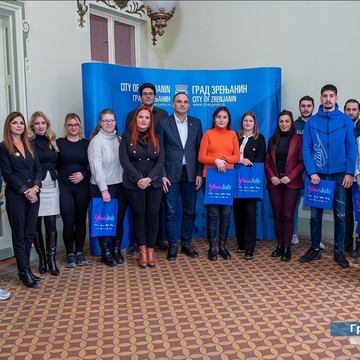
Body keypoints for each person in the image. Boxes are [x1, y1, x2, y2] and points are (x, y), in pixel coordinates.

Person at [300, 84, 357, 268]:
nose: (328, 99)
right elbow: (306, 149)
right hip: (317, 177)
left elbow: (351, 148)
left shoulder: (345, 121)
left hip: (340, 175)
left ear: (336, 98)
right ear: (321, 98)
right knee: (315, 216)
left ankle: (339, 251)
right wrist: (312, 172)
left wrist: (349, 173)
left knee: (340, 216)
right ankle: (315, 249)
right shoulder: (312, 122)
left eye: (331, 96)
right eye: (325, 95)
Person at [157, 92, 203, 261]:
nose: (182, 104)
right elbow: (159, 150)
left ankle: (186, 243)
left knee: (190, 212)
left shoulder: (196, 123)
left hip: (191, 174)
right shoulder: (163, 123)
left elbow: (199, 150)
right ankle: (173, 246)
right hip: (170, 174)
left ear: (189, 105)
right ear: (173, 104)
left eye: (185, 102)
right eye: (179, 102)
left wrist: (199, 173)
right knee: (170, 212)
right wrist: (161, 175)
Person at [0, 112, 42, 288]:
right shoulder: (3, 147)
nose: (19, 125)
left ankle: (27, 269)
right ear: (8, 126)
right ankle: (23, 272)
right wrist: (26, 191)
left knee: (29, 234)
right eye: (15, 123)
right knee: (19, 236)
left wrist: (36, 187)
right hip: (17, 196)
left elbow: (38, 168)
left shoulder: (30, 144)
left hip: (34, 195)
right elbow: (8, 174)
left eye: (21, 123)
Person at [126, 82, 169, 252]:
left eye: (151, 93)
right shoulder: (131, 115)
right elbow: (130, 145)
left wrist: (158, 174)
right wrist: (139, 177)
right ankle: (140, 243)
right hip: (137, 173)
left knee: (156, 210)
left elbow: (164, 144)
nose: (148, 96)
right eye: (145, 93)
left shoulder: (163, 114)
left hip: (157, 169)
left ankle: (156, 240)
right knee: (139, 212)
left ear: (155, 96)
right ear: (140, 96)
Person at [120, 106, 164, 267]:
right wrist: (139, 179)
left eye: (147, 118)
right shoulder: (126, 137)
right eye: (141, 117)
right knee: (139, 217)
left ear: (151, 121)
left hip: (154, 183)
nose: (144, 120)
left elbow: (160, 161)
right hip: (134, 183)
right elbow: (124, 161)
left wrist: (149, 179)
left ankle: (151, 251)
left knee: (153, 216)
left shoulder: (157, 137)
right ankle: (142, 251)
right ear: (135, 119)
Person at [199, 106, 240, 261]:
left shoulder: (232, 135)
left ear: (228, 119)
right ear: (214, 119)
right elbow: (201, 157)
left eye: (224, 117)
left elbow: (236, 156)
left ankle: (222, 247)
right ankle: (212, 247)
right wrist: (215, 161)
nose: (221, 120)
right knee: (213, 214)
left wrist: (224, 159)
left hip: (227, 178)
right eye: (219, 117)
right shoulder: (208, 134)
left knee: (226, 214)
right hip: (210, 178)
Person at [265, 110, 304, 262]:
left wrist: (290, 177)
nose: (284, 124)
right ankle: (280, 245)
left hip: (291, 183)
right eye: (281, 121)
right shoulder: (272, 140)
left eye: (287, 121)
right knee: (277, 214)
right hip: (275, 183)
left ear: (291, 122)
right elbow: (267, 161)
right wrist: (272, 176)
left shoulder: (298, 139)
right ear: (278, 123)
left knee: (288, 215)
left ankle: (287, 247)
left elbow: (301, 163)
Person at [88, 109, 125, 266]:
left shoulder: (120, 139)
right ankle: (106, 252)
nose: (109, 123)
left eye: (112, 120)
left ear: (115, 122)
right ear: (100, 123)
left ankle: (116, 249)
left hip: (120, 186)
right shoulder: (96, 141)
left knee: (118, 221)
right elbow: (96, 168)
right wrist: (104, 190)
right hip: (101, 187)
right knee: (104, 221)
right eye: (105, 121)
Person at [28, 111, 60, 276]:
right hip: (36, 187)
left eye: (43, 123)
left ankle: (51, 259)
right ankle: (41, 258)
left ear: (47, 125)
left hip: (52, 187)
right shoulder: (29, 142)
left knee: (51, 224)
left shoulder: (52, 140)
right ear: (32, 126)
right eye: (37, 123)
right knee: (35, 225)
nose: (40, 126)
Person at [57, 113, 91, 268]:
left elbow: (93, 167)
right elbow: (53, 164)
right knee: (68, 221)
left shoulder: (87, 144)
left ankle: (79, 252)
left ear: (80, 126)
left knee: (80, 220)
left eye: (76, 124)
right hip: (65, 188)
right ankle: (69, 253)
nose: (73, 127)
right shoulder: (59, 143)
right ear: (66, 126)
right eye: (70, 125)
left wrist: (83, 174)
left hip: (83, 187)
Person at [233, 112, 266, 260]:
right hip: (235, 181)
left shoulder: (260, 138)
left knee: (250, 213)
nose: (247, 123)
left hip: (251, 182)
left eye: (250, 121)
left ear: (254, 123)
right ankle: (241, 244)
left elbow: (259, 160)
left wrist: (246, 161)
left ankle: (249, 248)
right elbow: (230, 155)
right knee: (238, 212)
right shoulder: (235, 137)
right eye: (245, 120)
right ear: (242, 123)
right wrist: (240, 159)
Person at [343, 99, 360, 255]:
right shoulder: (341, 127)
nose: (351, 112)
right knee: (346, 211)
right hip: (345, 176)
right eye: (348, 109)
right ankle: (347, 242)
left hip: (359, 179)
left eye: (354, 109)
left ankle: (359, 242)